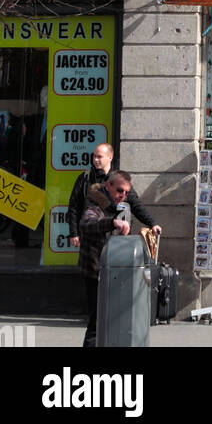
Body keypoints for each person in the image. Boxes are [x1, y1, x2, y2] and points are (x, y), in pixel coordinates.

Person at [77, 170, 134, 348]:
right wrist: (112, 223)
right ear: (108, 185)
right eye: (119, 190)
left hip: (109, 270)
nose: (123, 195)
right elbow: (87, 224)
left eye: (126, 192)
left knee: (108, 320)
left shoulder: (117, 205)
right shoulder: (95, 204)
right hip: (96, 271)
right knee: (97, 321)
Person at [68, 143, 160, 248]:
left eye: (99, 157)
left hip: (117, 238)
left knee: (116, 263)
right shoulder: (85, 178)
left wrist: (152, 223)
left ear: (110, 157)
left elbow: (135, 204)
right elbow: (74, 207)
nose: (95, 160)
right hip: (92, 237)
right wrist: (74, 233)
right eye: (94, 156)